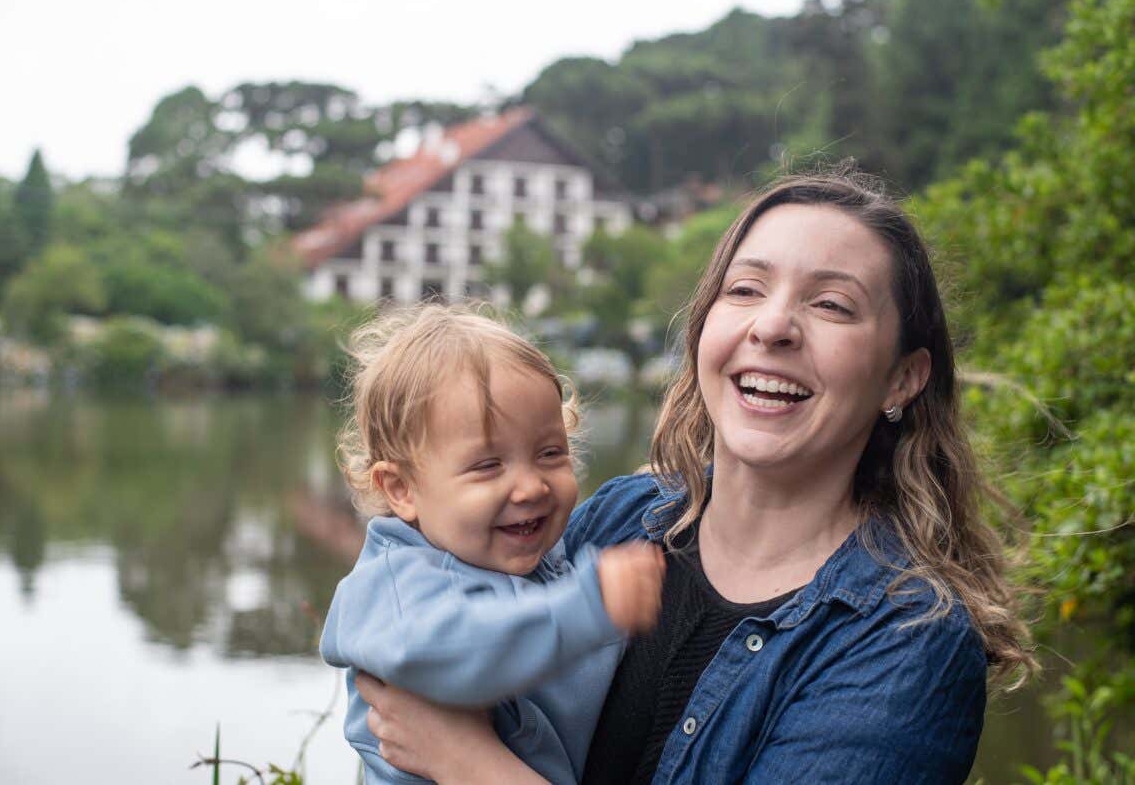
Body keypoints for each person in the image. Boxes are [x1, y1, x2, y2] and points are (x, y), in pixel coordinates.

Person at [352, 170, 1037, 784]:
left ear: (902, 378)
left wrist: (463, 761)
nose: (773, 325)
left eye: (831, 304)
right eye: (746, 289)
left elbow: (444, 729)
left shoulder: (905, 638)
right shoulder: (620, 519)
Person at [320, 304, 667, 784]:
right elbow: (468, 650)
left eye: (550, 453)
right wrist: (590, 605)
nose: (531, 487)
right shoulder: (392, 589)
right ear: (401, 489)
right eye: (487, 466)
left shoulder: (538, 562)